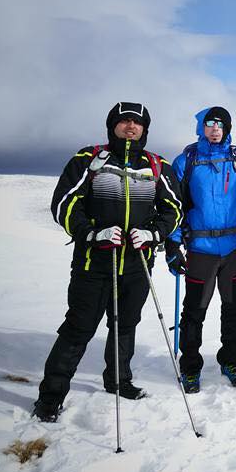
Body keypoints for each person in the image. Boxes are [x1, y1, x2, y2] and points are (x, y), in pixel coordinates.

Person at [33, 102, 182, 422]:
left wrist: (154, 234)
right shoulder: (89, 160)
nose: (131, 127)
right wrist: (92, 234)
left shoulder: (156, 165)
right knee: (78, 328)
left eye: (137, 123)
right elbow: (64, 203)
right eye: (124, 121)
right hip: (93, 264)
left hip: (137, 264)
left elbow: (173, 208)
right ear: (112, 125)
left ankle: (118, 380)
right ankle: (51, 396)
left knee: (125, 325)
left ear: (145, 129)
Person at [165, 106, 236, 393]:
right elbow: (173, 206)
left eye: (220, 125)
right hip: (200, 249)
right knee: (194, 311)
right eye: (209, 124)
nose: (214, 129)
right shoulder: (186, 160)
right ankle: (190, 367)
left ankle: (230, 361)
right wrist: (172, 244)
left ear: (228, 128)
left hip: (234, 249)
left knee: (233, 309)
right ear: (201, 127)